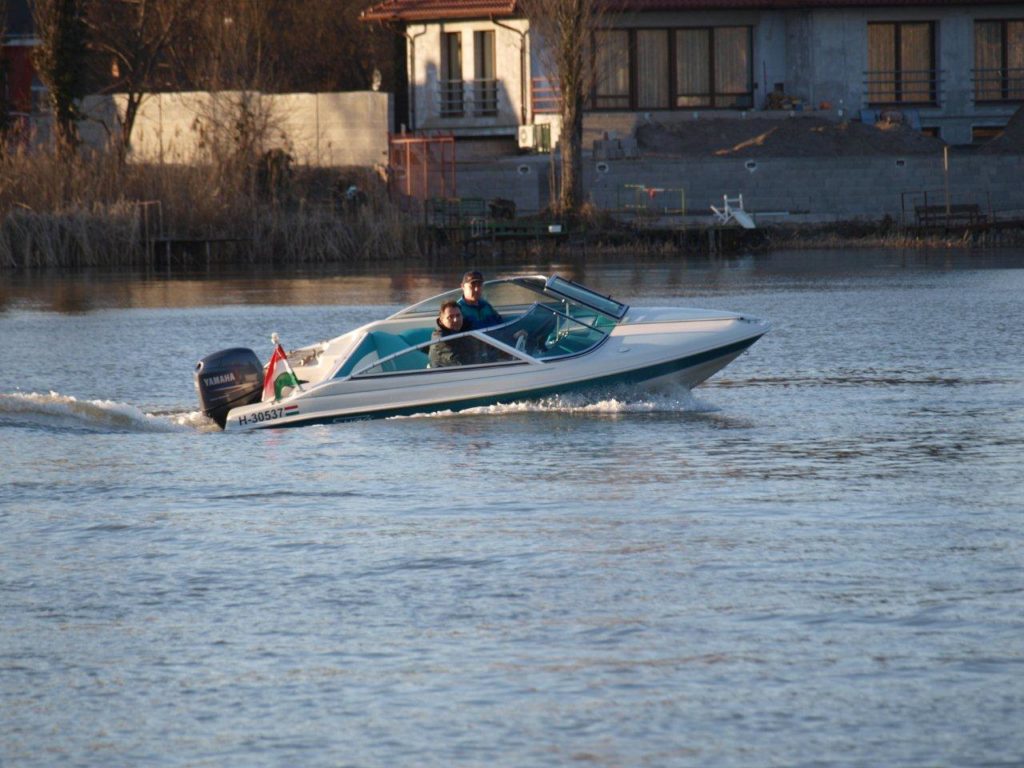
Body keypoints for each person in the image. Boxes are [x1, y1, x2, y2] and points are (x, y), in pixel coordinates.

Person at [428, 300, 488, 368]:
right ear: (441, 321)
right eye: (450, 317)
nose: (455, 320)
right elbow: (462, 362)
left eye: (458, 315)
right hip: (445, 376)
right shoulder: (440, 339)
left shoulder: (465, 329)